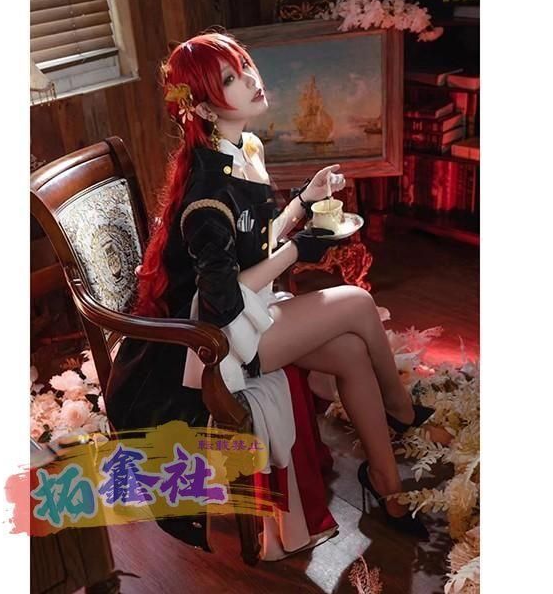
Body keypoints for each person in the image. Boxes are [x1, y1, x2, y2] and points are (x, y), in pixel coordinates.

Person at [105, 30, 438, 552]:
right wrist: (297, 252)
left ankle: (386, 485)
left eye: (245, 66)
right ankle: (401, 411)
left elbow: (254, 245)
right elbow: (221, 301)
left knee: (352, 352)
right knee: (356, 301)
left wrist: (304, 201)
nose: (251, 80)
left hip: (248, 313)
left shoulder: (245, 149)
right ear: (204, 109)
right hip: (211, 345)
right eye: (230, 79)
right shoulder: (206, 194)